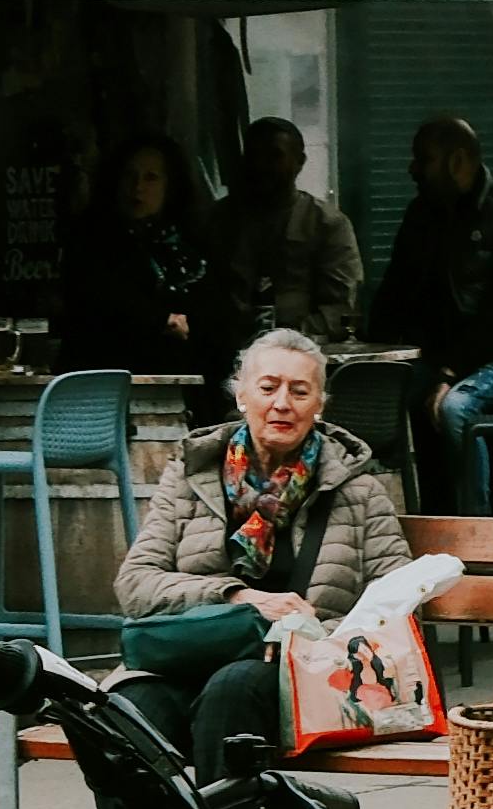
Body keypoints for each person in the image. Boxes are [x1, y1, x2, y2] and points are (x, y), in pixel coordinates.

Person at [104, 326, 410, 779]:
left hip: (303, 671)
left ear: (320, 404)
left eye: (299, 391)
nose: (282, 403)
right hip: (193, 654)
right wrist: (236, 597)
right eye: (268, 388)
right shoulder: (190, 478)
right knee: (128, 707)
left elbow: (397, 603)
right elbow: (136, 583)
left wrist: (310, 635)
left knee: (234, 687)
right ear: (241, 395)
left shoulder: (358, 493)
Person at [368, 111, 493, 505]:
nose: (412, 170)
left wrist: (448, 373)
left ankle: (475, 524)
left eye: (423, 159)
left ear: (457, 160)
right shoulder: (423, 214)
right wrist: (370, 347)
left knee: (456, 407)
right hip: (446, 355)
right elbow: (396, 288)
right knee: (378, 398)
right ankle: (408, 516)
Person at [56, 132, 227, 390]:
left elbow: (214, 314)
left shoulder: (192, 241)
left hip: (184, 382)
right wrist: (161, 320)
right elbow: (97, 298)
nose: (137, 187)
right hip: (106, 380)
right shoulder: (91, 238)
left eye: (151, 177)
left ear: (170, 185)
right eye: (129, 176)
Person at [205, 114, 362, 345]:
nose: (261, 165)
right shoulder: (219, 220)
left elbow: (341, 310)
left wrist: (282, 336)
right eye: (253, 155)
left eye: (274, 156)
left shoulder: (327, 224)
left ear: (299, 161)